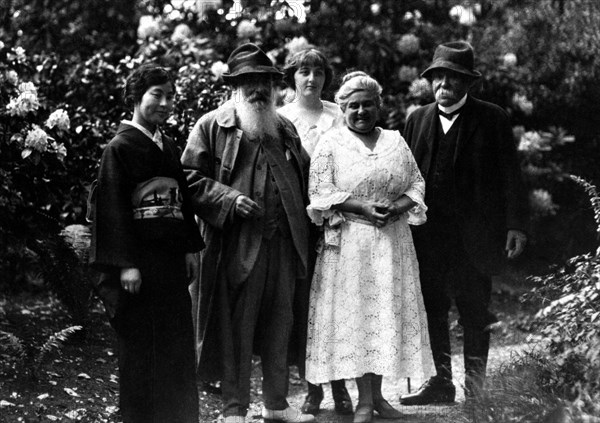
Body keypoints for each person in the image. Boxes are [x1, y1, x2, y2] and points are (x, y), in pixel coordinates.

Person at [181, 43, 314, 423]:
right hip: (236, 245)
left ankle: (276, 405)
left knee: (281, 320)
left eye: (265, 81)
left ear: (274, 86)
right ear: (234, 88)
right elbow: (188, 179)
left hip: (285, 244)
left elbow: (305, 178)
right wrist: (228, 199)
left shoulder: (283, 127)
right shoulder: (212, 125)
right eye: (249, 82)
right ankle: (233, 409)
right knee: (236, 326)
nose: (258, 89)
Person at [399, 41, 529, 405]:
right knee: (431, 307)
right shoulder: (417, 119)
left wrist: (516, 225)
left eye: (452, 77)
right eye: (437, 76)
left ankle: (477, 389)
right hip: (428, 235)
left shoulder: (492, 118)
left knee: (474, 310)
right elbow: (405, 175)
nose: (443, 84)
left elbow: (511, 177)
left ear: (467, 83)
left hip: (476, 236)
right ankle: (440, 382)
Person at [305, 71, 435, 423]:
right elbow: (318, 193)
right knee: (359, 318)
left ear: (379, 106)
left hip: (392, 242)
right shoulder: (330, 143)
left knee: (384, 316)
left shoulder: (395, 140)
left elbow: (416, 183)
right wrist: (360, 207)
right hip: (350, 244)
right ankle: (363, 400)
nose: (361, 111)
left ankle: (378, 396)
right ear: (342, 108)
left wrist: (398, 207)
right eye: (353, 106)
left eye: (367, 105)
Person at [90, 63, 203, 423]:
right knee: (140, 352)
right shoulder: (119, 147)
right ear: (136, 97)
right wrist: (125, 263)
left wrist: (188, 248)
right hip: (138, 264)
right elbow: (111, 209)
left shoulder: (166, 145)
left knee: (175, 349)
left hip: (169, 262)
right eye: (158, 94)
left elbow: (182, 200)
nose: (166, 103)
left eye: (171, 96)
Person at [278, 48, 352, 417]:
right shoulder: (280, 119)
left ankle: (340, 387)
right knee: (302, 306)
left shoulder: (339, 115)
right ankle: (312, 388)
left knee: (335, 306)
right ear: (292, 76)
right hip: (294, 224)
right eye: (304, 71)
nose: (311, 79)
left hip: (337, 218)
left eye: (318, 72)